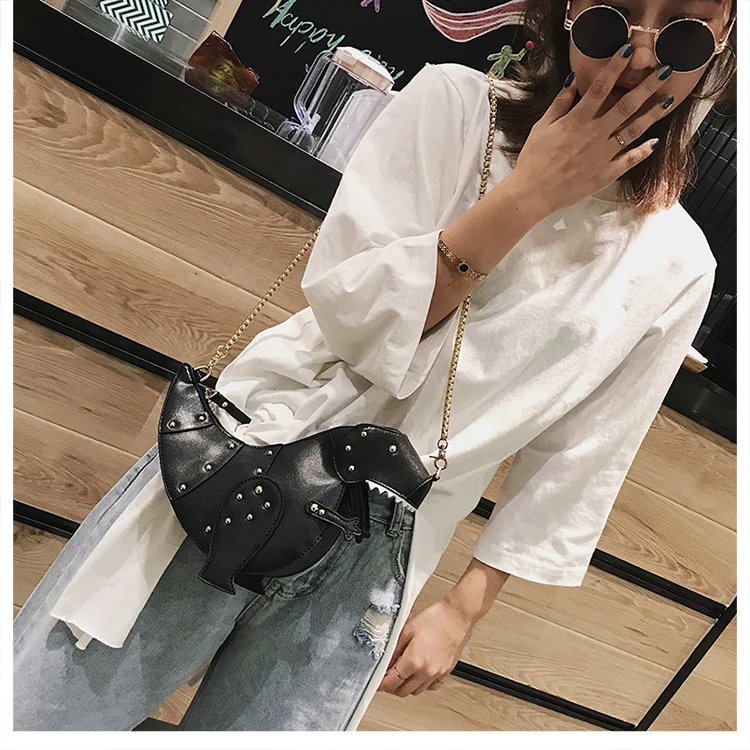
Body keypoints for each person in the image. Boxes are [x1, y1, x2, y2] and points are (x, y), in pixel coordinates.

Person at [13, 0, 736, 732]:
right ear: (568, 12)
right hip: (248, 461)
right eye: (612, 18)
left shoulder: (678, 263)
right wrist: (531, 193)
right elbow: (358, 321)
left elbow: (582, 459)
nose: (643, 54)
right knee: (46, 721)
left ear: (722, 36)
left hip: (389, 550)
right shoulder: (456, 106)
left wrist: (463, 609)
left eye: (681, 31)